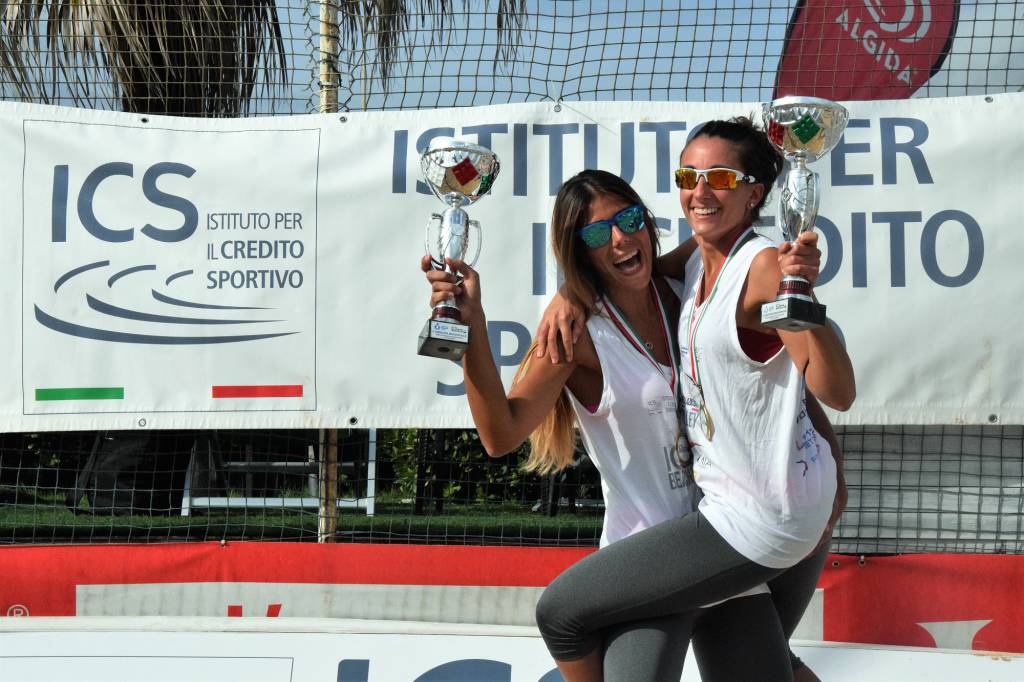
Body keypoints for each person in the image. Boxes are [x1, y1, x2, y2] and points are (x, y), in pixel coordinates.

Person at [423, 165, 846, 680]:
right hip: (647, 558)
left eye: (628, 219)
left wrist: (831, 463)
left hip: (727, 534)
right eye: (598, 233)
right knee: (564, 618)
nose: (620, 239)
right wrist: (473, 331)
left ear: (647, 220)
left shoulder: (689, 287)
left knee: (778, 667)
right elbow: (501, 434)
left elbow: (780, 378)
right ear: (580, 251)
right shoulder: (577, 332)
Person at [527, 117, 855, 682]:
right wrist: (568, 288)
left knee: (561, 613)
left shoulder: (763, 267)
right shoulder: (697, 266)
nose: (700, 190)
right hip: (772, 504)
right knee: (765, 665)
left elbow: (835, 388)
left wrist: (802, 298)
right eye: (688, 174)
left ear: (755, 193)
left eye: (720, 176)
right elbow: (634, 265)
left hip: (754, 515)